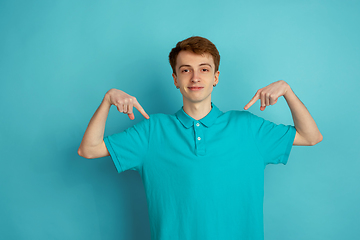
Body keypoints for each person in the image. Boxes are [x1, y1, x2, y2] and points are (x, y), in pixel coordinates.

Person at [78, 36, 322, 240]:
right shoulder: (153, 131)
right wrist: (108, 100)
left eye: (204, 69)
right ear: (175, 79)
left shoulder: (247, 127)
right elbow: (88, 149)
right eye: (186, 70)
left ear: (215, 77)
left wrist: (287, 91)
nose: (195, 78)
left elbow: (310, 136)